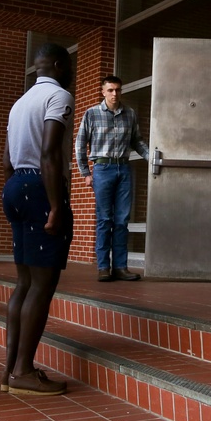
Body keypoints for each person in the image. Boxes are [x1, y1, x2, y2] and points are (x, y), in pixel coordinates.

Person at [2, 43, 74, 396]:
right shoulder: (59, 96)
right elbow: (48, 152)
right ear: (59, 65)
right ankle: (23, 372)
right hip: (40, 186)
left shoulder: (19, 102)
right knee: (42, 284)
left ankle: (11, 369)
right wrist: (56, 205)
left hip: (16, 184)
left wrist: (15, 195)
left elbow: (6, 160)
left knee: (24, 282)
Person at [75, 75, 149, 282]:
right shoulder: (91, 114)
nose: (114, 94)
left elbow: (138, 141)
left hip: (123, 169)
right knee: (104, 219)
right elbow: (80, 144)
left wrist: (151, 158)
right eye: (110, 90)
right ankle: (103, 267)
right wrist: (85, 173)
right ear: (103, 92)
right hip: (102, 169)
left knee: (122, 220)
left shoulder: (130, 114)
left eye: (117, 90)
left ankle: (120, 267)